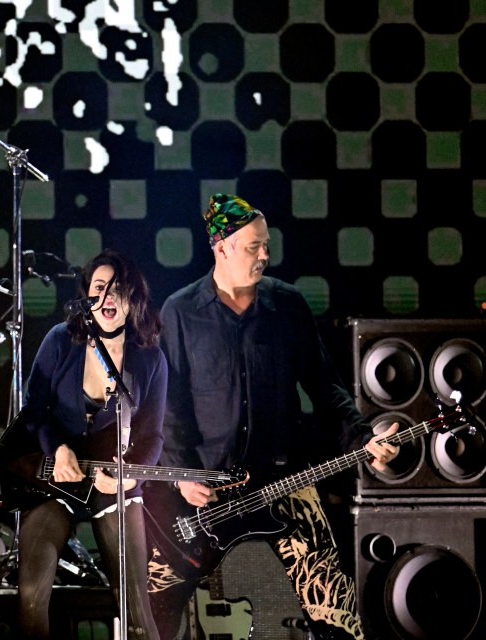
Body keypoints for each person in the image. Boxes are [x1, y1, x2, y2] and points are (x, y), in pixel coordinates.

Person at [145, 194, 400, 640]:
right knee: (151, 610)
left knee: (336, 616)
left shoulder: (288, 306)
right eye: (253, 246)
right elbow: (168, 408)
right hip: (202, 491)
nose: (265, 255)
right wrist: (183, 475)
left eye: (266, 245)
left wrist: (363, 440)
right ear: (220, 247)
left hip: (284, 481)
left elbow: (326, 387)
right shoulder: (180, 312)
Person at [17, 248, 166, 639]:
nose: (108, 296)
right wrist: (58, 449)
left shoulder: (149, 359)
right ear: (87, 297)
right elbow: (33, 410)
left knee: (137, 604)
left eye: (118, 288)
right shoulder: (59, 341)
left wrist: (126, 480)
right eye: (99, 287)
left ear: (133, 297)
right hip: (56, 482)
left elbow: (153, 437)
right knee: (31, 596)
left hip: (111, 484)